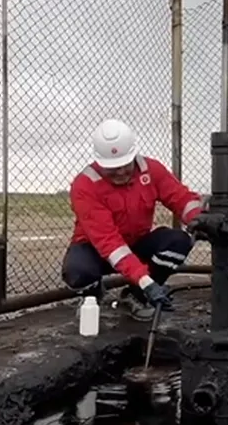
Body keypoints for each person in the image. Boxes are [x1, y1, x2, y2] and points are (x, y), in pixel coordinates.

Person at [62, 118, 205, 321]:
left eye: (124, 165)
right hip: (96, 249)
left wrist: (199, 219)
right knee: (77, 271)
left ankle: (135, 297)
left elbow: (180, 198)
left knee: (178, 241)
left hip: (136, 244)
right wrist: (145, 281)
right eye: (112, 168)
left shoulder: (151, 169)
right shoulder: (85, 185)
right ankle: (92, 298)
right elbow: (108, 242)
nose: (120, 172)